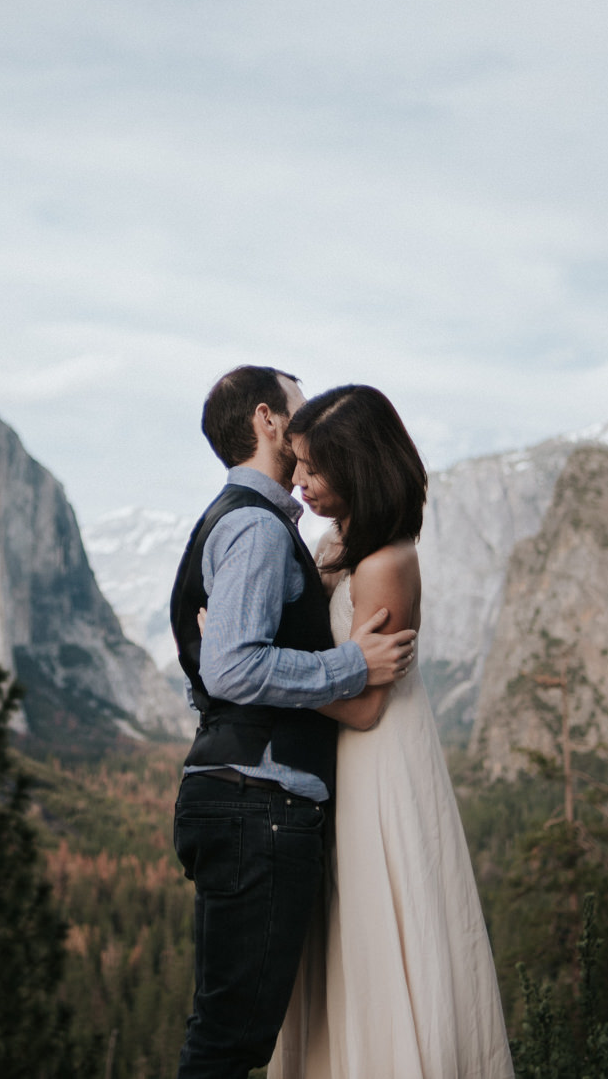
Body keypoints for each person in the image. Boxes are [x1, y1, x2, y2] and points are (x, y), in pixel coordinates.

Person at [170, 366, 418, 1079]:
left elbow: (221, 669)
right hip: (259, 803)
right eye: (300, 411)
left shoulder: (234, 522)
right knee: (230, 1043)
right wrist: (352, 666)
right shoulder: (253, 528)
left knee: (229, 1033)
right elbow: (234, 669)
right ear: (268, 420)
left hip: (244, 799)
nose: (310, 429)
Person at [269, 385, 512, 1079]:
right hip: (344, 763)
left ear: (361, 465)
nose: (303, 483)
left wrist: (262, 679)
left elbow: (367, 707)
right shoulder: (340, 542)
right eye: (300, 466)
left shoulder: (386, 562)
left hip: (377, 764)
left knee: (378, 927)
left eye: (316, 468)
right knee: (348, 939)